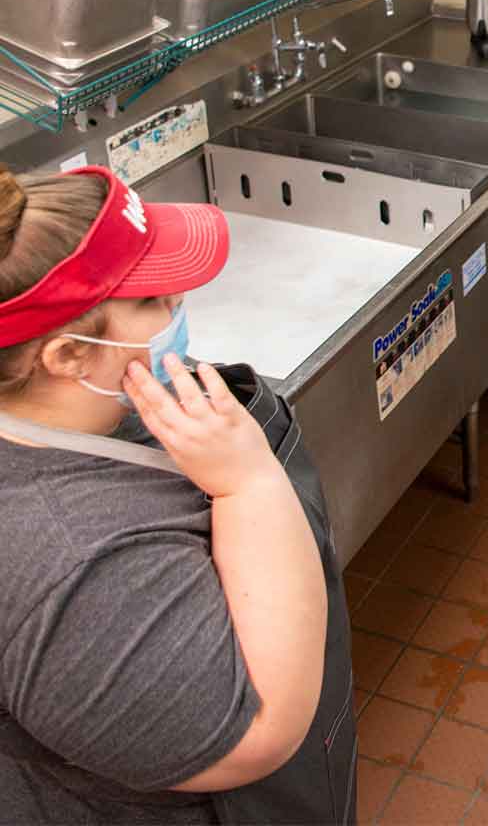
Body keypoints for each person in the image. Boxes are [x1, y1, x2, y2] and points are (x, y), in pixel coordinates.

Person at [0, 166, 356, 824]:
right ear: (67, 355)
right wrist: (248, 482)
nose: (178, 305)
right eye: (150, 301)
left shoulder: (85, 412)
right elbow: (260, 734)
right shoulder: (77, 568)